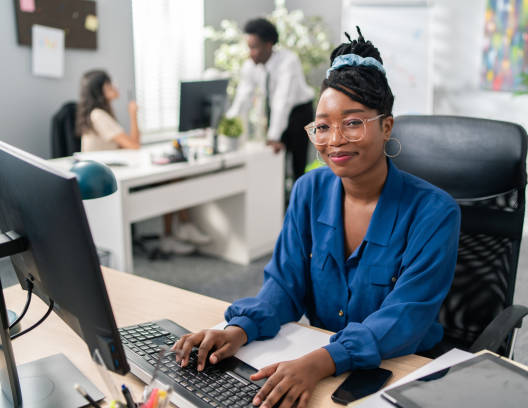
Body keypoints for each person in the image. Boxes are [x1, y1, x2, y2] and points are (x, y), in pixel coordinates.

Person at [172, 29, 461, 408]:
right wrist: (239, 329)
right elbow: (284, 285)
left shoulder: (435, 212)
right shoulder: (309, 190)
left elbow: (405, 316)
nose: (334, 139)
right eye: (322, 126)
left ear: (386, 126)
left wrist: (319, 363)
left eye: (353, 122)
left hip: (398, 369)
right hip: (319, 357)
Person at [76, 69, 211, 255]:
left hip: (110, 173)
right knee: (171, 179)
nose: (116, 87)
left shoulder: (99, 114)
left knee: (173, 178)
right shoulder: (98, 115)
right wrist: (133, 114)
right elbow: (134, 145)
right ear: (102, 89)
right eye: (111, 84)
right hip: (105, 180)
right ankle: (178, 230)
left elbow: (126, 146)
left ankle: (175, 232)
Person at [226, 18, 314, 182]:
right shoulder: (251, 65)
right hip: (276, 111)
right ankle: (279, 204)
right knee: (275, 160)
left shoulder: (288, 61)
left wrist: (273, 135)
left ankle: (299, 203)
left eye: (254, 47)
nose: (250, 53)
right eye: (248, 47)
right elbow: (243, 97)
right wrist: (228, 123)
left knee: (297, 165)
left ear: (268, 45)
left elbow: (283, 100)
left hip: (299, 112)